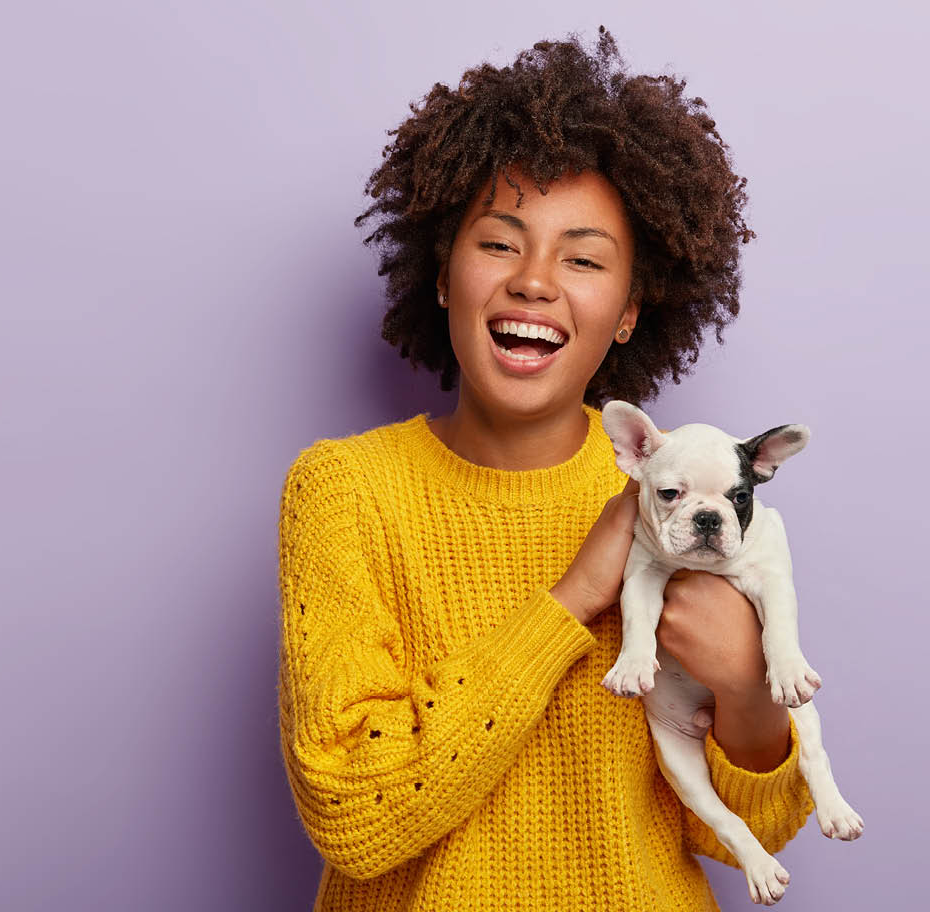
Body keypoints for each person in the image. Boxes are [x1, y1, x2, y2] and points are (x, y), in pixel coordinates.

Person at [275, 26, 813, 911]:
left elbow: (758, 829)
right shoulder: (344, 490)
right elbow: (355, 813)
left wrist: (746, 684)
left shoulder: (685, 494)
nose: (535, 280)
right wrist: (573, 598)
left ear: (630, 311)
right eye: (499, 243)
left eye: (585, 258)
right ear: (442, 275)